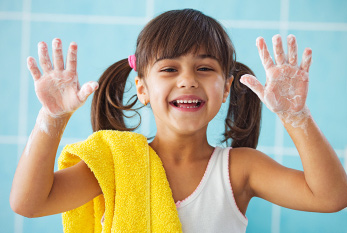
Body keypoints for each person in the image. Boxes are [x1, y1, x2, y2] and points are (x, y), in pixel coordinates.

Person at [10, 8, 347, 233]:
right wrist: (51, 119)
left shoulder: (240, 168)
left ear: (227, 87)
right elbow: (29, 203)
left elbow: (330, 197)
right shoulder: (116, 165)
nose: (188, 80)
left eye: (204, 68)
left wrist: (295, 116)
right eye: (170, 69)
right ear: (142, 87)